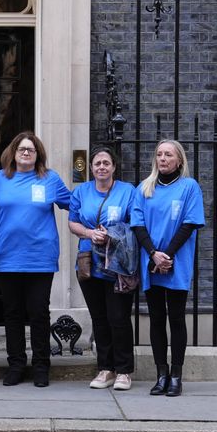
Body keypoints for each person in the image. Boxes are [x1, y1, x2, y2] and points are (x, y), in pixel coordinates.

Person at [0, 131, 70, 387]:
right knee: (12, 313)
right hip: (7, 256)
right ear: (13, 153)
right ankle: (15, 364)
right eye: (22, 149)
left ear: (38, 155)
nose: (26, 153)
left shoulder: (50, 179)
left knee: (38, 312)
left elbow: (75, 205)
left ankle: (41, 367)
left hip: (40, 257)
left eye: (31, 150)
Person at [130, 139, 204, 397]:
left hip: (176, 262)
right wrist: (153, 254)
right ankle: (161, 374)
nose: (162, 159)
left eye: (168, 155)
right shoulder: (145, 187)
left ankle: (176, 375)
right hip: (151, 262)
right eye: (159, 154)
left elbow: (189, 223)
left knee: (176, 318)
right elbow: (137, 224)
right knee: (156, 319)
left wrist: (167, 256)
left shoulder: (189, 187)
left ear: (179, 160)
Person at [68, 146, 139, 391]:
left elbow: (135, 222)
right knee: (99, 318)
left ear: (114, 167)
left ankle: (124, 371)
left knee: (118, 317)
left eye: (106, 163)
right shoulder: (81, 192)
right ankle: (105, 369)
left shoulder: (127, 191)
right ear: (91, 167)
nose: (101, 167)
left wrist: (112, 234)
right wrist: (90, 233)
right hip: (90, 262)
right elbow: (72, 222)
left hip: (118, 263)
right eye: (97, 163)